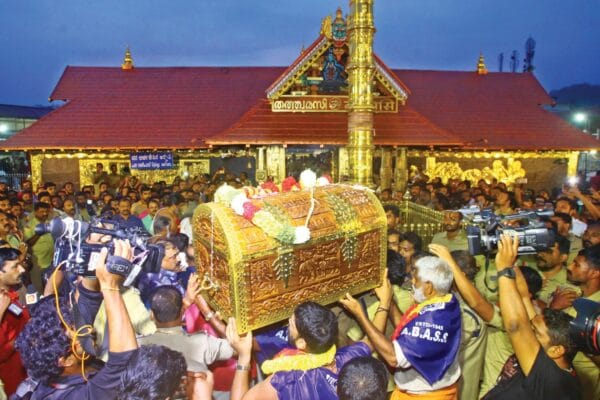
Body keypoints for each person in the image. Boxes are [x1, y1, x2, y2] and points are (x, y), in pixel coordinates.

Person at [14, 239, 186, 400]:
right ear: (65, 361)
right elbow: (125, 358)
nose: (88, 330)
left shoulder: (65, 364)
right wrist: (111, 287)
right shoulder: (74, 396)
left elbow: (88, 298)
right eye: (79, 335)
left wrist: (95, 261)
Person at [341, 256, 462, 399]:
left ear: (429, 286)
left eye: (416, 279)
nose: (412, 282)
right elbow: (408, 333)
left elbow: (393, 357)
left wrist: (360, 314)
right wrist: (389, 300)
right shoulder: (446, 303)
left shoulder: (432, 321)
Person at [482, 235, 581, 400]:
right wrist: (512, 263)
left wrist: (504, 269)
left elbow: (516, 327)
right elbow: (525, 300)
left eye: (535, 332)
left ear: (556, 350)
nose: (529, 331)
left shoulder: (553, 381)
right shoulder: (554, 360)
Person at [227, 300, 375, 400]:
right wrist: (365, 311)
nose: (288, 321)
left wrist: (244, 356)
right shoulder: (346, 359)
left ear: (301, 343)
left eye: (291, 324)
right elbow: (371, 341)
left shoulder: (288, 381)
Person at [138, 285, 235, 372]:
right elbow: (237, 347)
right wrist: (208, 313)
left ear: (151, 315)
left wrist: (186, 302)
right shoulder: (203, 343)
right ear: (182, 312)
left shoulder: (139, 345)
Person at [0, 248, 28, 396]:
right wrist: (26, 334)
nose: (22, 269)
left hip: (26, 373)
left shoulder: (9, 294)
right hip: (12, 383)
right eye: (15, 266)